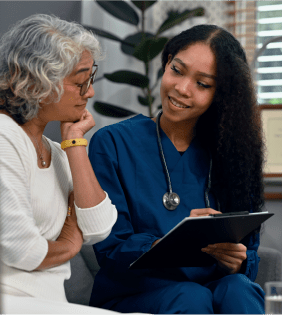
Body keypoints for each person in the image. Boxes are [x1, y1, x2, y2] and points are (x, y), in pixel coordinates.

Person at [0, 14, 123, 314]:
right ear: (39, 83)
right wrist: (71, 240)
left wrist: (75, 144)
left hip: (42, 303)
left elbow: (100, 226)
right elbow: (24, 252)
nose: (89, 91)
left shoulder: (56, 153)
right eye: (81, 81)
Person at [88, 24, 266, 314]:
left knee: (239, 290)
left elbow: (249, 249)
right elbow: (109, 246)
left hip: (212, 288)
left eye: (203, 84)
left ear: (221, 95)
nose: (182, 88)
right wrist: (172, 242)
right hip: (134, 292)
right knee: (190, 296)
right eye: (177, 70)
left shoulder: (232, 155)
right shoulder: (112, 143)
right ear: (166, 62)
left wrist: (240, 260)